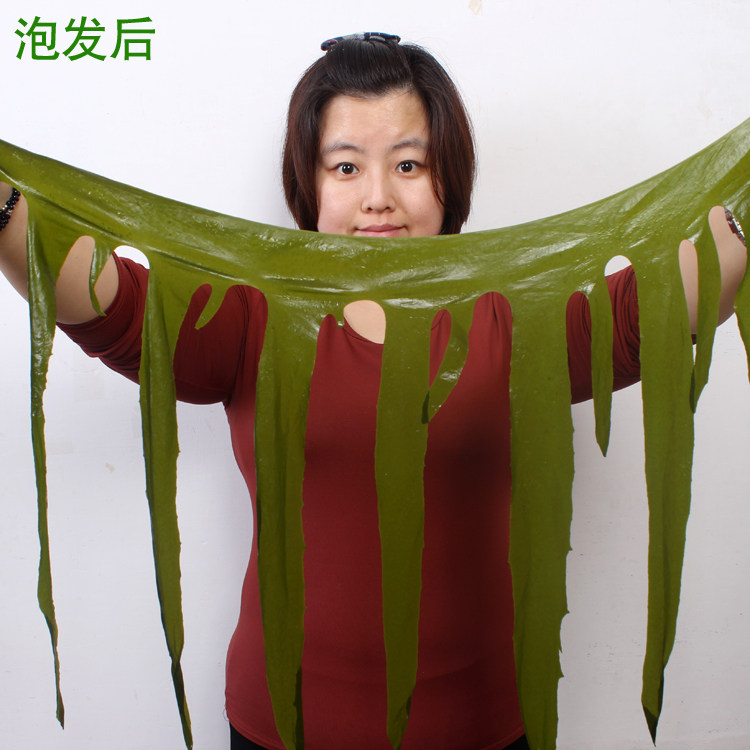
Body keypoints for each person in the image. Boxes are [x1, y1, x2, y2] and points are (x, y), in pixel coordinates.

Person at [0, 33, 746, 750]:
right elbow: (109, 300)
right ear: (309, 182)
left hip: (482, 727)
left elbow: (654, 308)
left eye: (410, 164)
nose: (379, 198)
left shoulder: (516, 318)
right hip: (279, 729)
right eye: (346, 167)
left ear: (450, 176)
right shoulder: (250, 316)